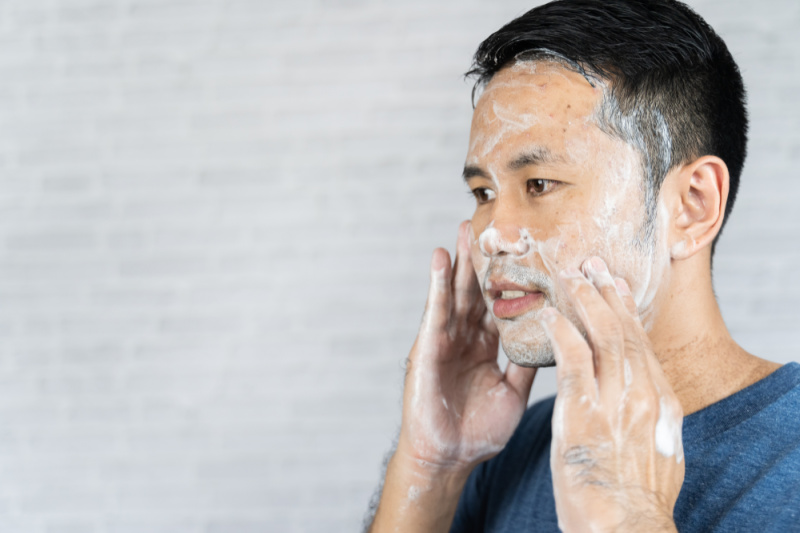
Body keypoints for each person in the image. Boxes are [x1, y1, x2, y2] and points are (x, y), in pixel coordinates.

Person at [365, 0, 800, 531]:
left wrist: (628, 519)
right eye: (483, 192)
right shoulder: (510, 452)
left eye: (539, 184)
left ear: (691, 206)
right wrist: (431, 465)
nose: (493, 234)